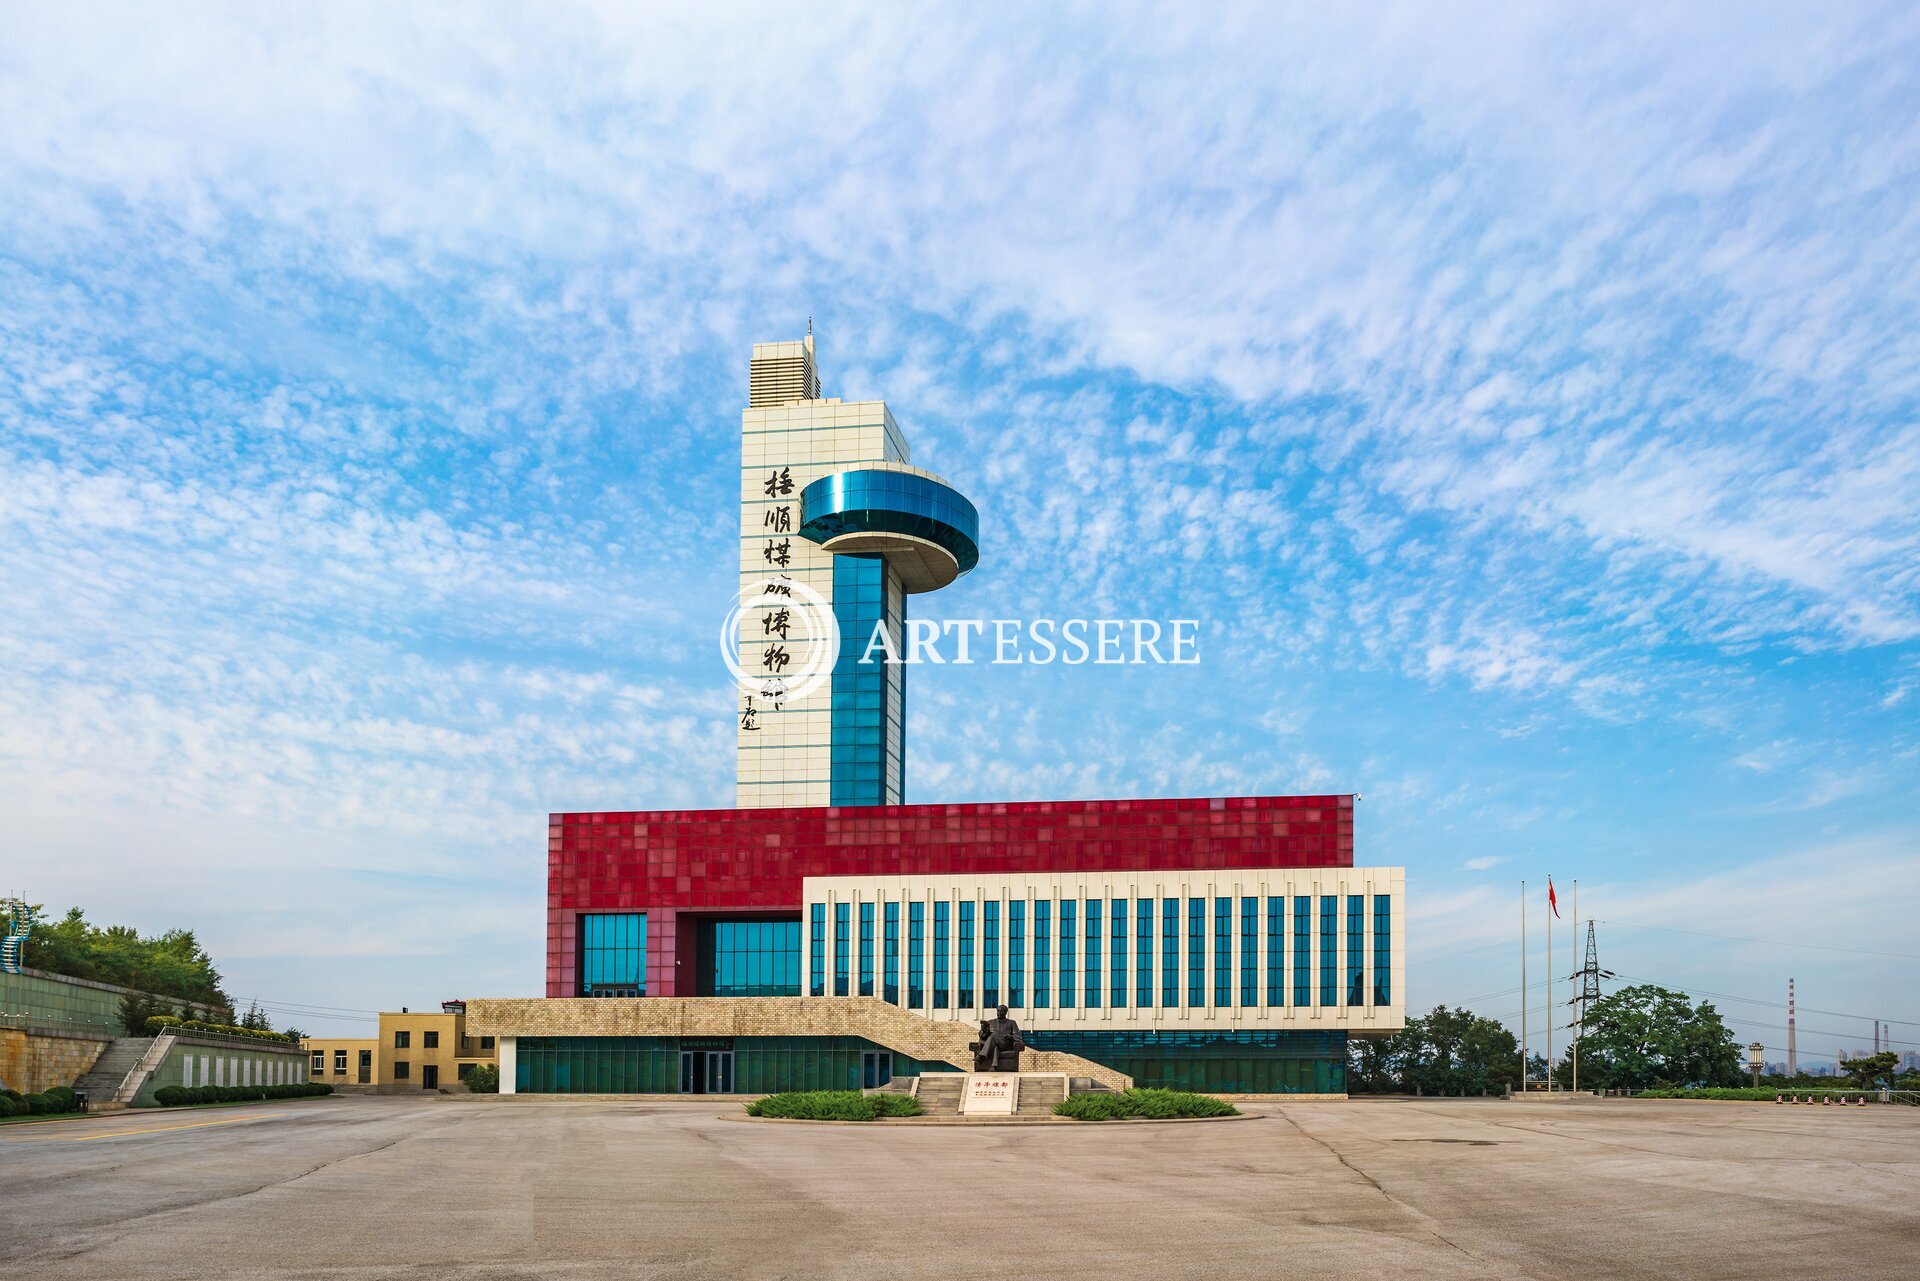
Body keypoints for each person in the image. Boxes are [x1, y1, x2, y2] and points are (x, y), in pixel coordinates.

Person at [972, 1005, 1025, 1072]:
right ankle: (994, 1067)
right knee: (995, 1046)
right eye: (998, 1011)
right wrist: (983, 1030)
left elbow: (1018, 1035)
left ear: (1006, 1012)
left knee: (993, 1037)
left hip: (1005, 1044)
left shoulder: (1011, 1023)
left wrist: (1010, 1037)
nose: (999, 1013)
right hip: (993, 1044)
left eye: (1002, 1011)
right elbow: (982, 1036)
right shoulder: (991, 1022)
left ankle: (981, 1056)